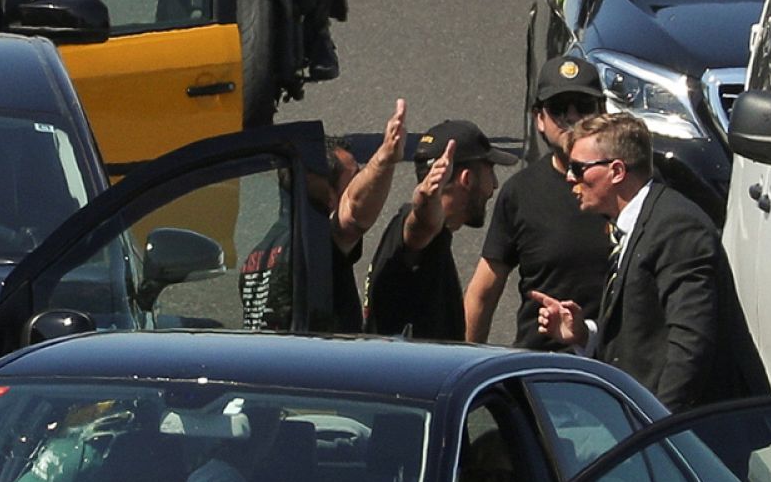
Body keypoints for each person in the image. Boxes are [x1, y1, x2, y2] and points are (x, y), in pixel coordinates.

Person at [532, 113, 768, 410]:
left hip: (698, 432)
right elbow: (645, 336)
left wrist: (658, 428)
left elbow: (690, 344)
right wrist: (584, 335)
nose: (569, 177)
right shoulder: (635, 223)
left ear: (617, 171)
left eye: (579, 168)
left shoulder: (677, 227)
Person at [464, 56, 611, 347]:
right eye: (558, 108)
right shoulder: (521, 193)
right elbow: (483, 294)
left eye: (582, 106)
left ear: (602, 112)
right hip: (540, 368)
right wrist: (467, 365)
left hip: (615, 370)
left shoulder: (627, 186)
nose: (571, 118)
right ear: (538, 119)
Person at [239, 99, 406, 332]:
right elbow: (352, 217)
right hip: (317, 365)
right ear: (329, 195)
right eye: (354, 179)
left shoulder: (257, 255)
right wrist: (384, 159)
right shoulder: (314, 242)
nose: (360, 184)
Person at [364, 119, 517, 341]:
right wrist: (427, 201)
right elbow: (420, 229)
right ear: (466, 178)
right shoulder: (416, 233)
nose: (494, 184)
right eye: (490, 170)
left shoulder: (436, 238)